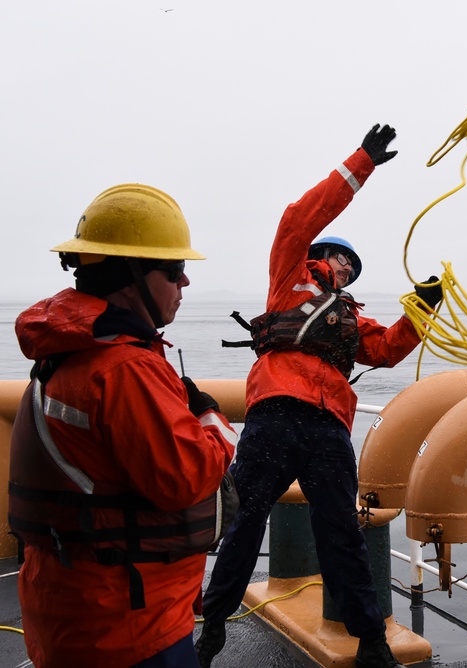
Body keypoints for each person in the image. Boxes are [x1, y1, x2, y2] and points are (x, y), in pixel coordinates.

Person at [197, 124, 441, 668]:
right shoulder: (289, 276)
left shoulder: (352, 318)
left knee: (342, 535)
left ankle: (371, 639)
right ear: (320, 252)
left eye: (353, 267)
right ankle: (213, 624)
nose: (347, 269)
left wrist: (424, 307)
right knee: (244, 523)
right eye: (341, 259)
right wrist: (363, 163)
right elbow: (298, 218)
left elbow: (386, 349)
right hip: (275, 416)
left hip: (329, 431)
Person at [8, 184, 239, 667]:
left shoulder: (63, 355)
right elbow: (186, 477)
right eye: (176, 271)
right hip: (130, 625)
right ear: (130, 277)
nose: (185, 284)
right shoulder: (123, 369)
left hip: (70, 609)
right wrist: (212, 419)